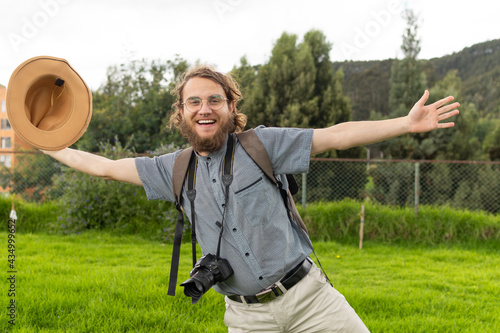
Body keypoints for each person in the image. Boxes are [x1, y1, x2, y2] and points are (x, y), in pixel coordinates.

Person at [43, 65, 459, 332]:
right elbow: (101, 165)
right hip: (246, 318)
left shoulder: (261, 144)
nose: (204, 108)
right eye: (194, 101)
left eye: (214, 100)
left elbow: (335, 135)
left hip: (309, 299)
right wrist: (44, 141)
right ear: (181, 112)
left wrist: (405, 124)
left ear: (229, 107)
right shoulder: (171, 169)